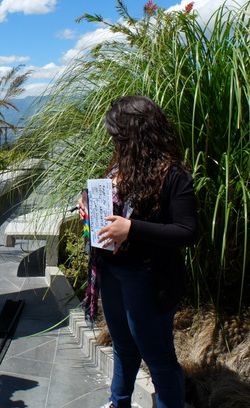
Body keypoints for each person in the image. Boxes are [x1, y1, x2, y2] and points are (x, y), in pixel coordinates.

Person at [79, 95, 198, 408]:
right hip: (112, 270)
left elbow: (187, 232)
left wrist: (131, 228)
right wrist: (87, 202)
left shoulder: (173, 175)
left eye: (116, 134)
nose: (112, 140)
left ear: (133, 133)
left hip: (148, 276)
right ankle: (118, 403)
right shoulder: (120, 166)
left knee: (158, 357)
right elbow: (113, 202)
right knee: (123, 346)